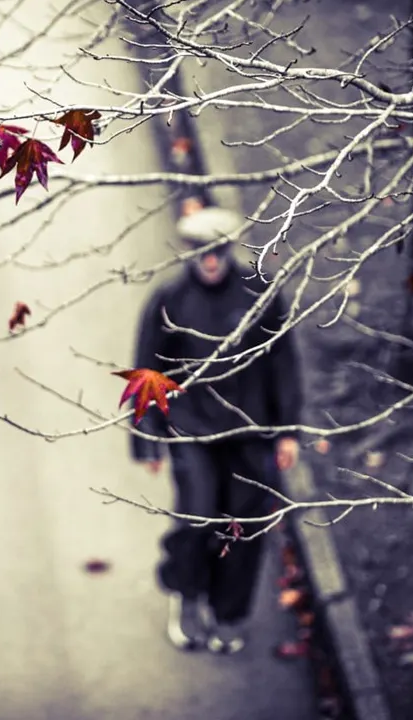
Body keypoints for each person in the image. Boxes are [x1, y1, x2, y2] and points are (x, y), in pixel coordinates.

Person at [128, 205, 303, 654]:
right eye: (200, 251)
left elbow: (281, 361)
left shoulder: (258, 294)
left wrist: (286, 431)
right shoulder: (169, 300)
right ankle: (187, 594)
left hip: (248, 430)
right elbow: (149, 369)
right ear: (188, 251)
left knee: (244, 524)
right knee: (198, 514)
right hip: (191, 432)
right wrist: (147, 437)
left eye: (218, 251)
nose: (209, 260)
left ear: (228, 251)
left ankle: (229, 612)